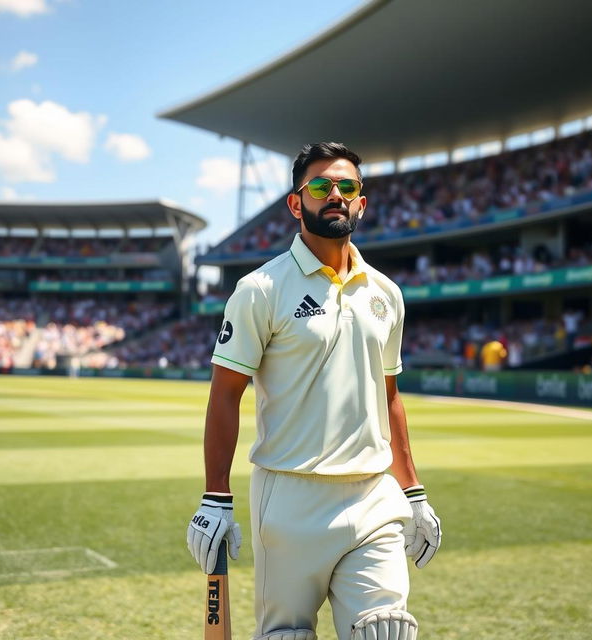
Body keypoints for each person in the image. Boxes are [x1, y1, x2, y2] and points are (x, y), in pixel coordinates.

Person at [186, 142, 441, 640]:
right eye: (321, 186)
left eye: (347, 187)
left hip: (373, 497)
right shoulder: (260, 289)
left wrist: (412, 491)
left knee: (385, 630)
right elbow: (224, 394)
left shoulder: (386, 293)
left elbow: (388, 396)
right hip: (289, 497)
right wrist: (216, 495)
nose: (336, 195)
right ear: (296, 203)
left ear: (361, 203)